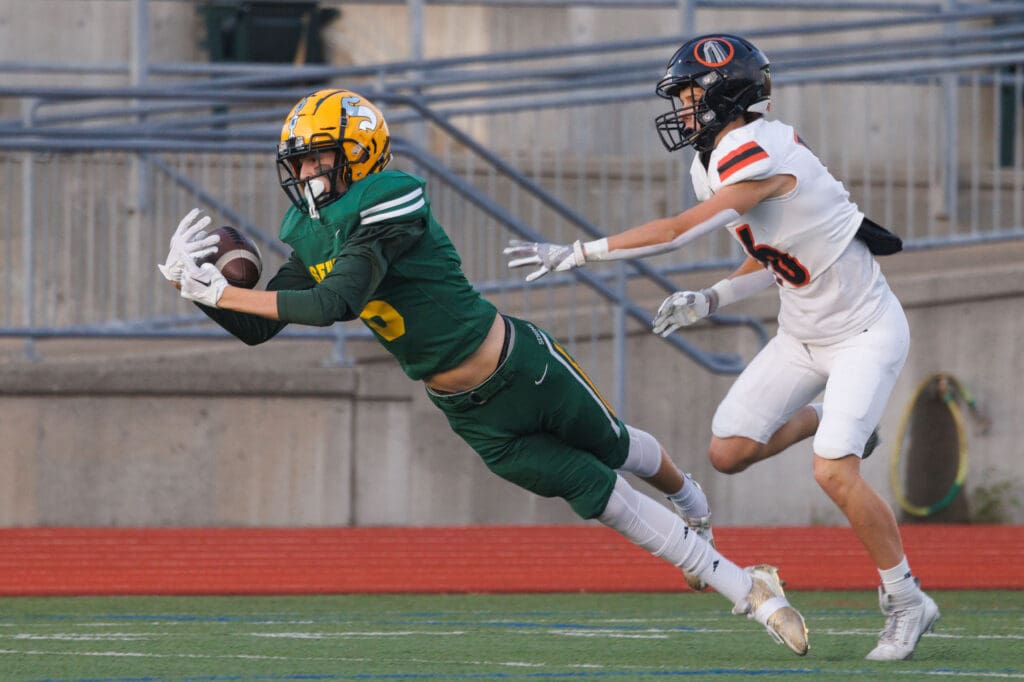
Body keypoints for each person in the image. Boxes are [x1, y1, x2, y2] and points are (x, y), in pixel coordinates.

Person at [159, 88, 809, 656]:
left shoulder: (393, 196)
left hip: (521, 365)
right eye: (297, 159)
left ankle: (693, 501)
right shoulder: (310, 226)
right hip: (473, 416)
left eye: (316, 157)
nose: (302, 171)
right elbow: (260, 326)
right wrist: (195, 286)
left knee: (611, 444)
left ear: (357, 153)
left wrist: (223, 293)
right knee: (602, 496)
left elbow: (337, 303)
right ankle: (749, 590)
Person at [504, 34, 938, 661]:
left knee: (832, 472)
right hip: (802, 332)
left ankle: (905, 599)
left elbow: (677, 233)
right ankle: (845, 423)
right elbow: (773, 256)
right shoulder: (712, 159)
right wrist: (711, 299)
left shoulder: (753, 148)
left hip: (865, 333)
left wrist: (580, 252)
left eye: (690, 93)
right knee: (728, 451)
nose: (681, 107)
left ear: (726, 94)